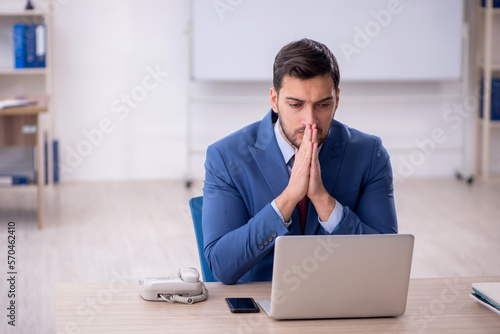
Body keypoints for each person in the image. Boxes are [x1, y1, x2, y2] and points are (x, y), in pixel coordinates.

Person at [202, 38, 397, 284]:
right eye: (296, 104)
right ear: (274, 100)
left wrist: (324, 201)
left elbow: (387, 260)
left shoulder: (370, 154)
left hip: (342, 303)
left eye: (323, 104)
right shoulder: (226, 157)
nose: (310, 120)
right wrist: (288, 198)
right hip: (259, 309)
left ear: (337, 99)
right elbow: (222, 266)